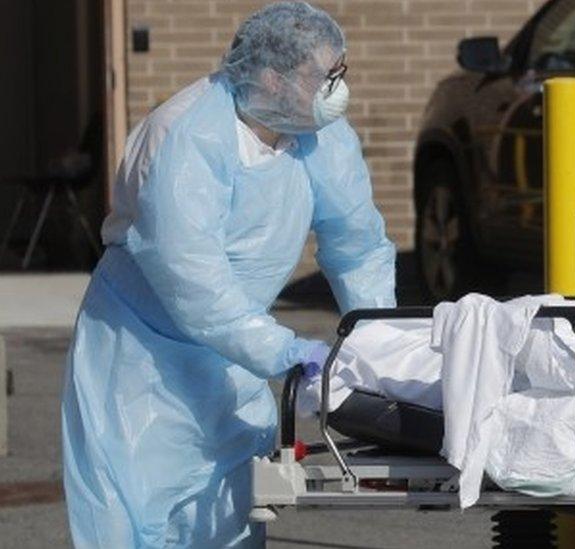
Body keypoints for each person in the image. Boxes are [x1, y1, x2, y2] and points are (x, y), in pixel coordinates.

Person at [60, 2, 396, 546]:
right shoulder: (187, 136)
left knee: (233, 512)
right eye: (325, 75)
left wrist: (378, 337)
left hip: (233, 356)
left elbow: (357, 244)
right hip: (141, 360)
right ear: (272, 76)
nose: (339, 87)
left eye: (342, 71)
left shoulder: (320, 136)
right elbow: (193, 285)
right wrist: (286, 352)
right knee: (137, 513)